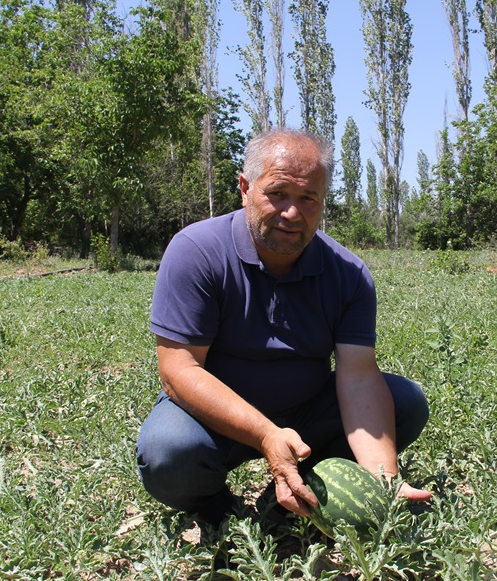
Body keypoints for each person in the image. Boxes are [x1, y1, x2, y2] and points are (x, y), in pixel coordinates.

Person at [136, 128, 431, 530]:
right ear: (245, 188)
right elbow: (179, 370)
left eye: (308, 198)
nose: (292, 213)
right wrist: (266, 435)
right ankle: (215, 505)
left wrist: (385, 477)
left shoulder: (348, 274)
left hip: (305, 414)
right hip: (214, 418)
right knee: (168, 451)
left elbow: (359, 377)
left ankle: (302, 492)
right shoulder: (198, 251)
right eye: (277, 193)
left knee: (405, 401)